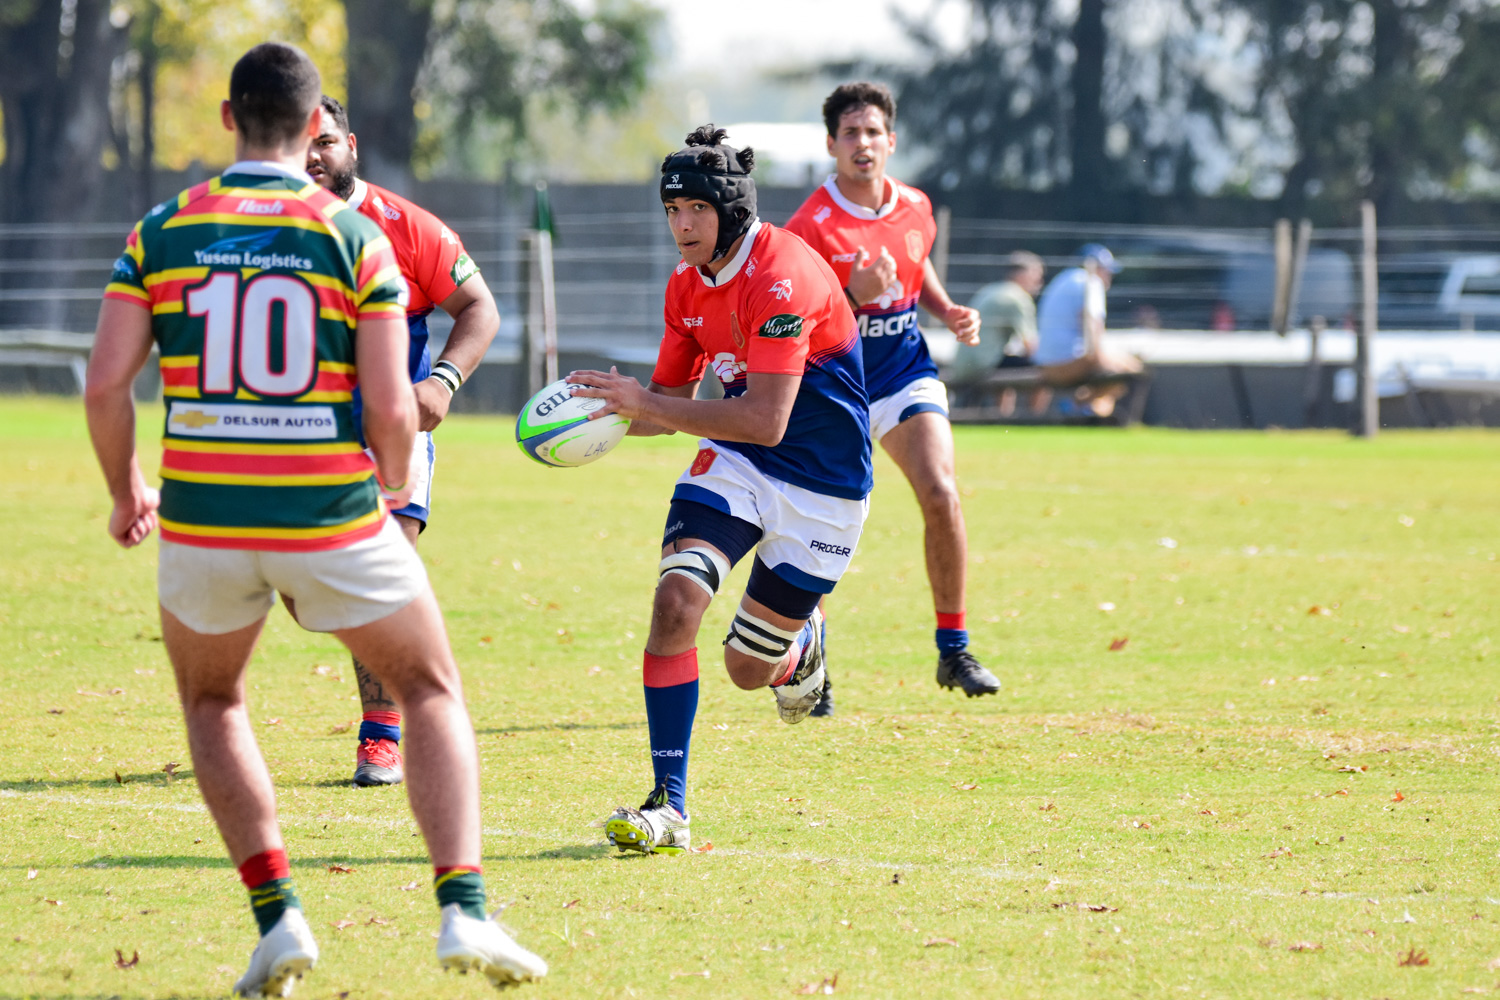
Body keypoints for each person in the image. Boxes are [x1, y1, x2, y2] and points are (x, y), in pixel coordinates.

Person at [85, 42, 545, 996]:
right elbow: (389, 409)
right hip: (326, 513)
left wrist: (128, 490)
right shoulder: (353, 237)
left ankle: (276, 915)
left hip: (205, 521)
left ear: (227, 120)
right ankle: (463, 910)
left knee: (214, 704)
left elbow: (103, 385)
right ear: (312, 130)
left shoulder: (161, 228)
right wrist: (386, 484)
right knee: (431, 687)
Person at [567, 125, 872, 855]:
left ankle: (798, 651)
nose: (682, 225)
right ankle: (668, 806)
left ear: (731, 210)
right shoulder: (684, 286)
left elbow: (766, 419)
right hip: (735, 466)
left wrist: (646, 405)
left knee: (747, 669)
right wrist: (590, 418)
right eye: (672, 212)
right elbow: (669, 401)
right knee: (676, 603)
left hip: (823, 488)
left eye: (697, 210)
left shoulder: (780, 276)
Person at [785, 81, 1000, 710]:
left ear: (891, 141)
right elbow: (789, 323)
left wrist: (945, 308)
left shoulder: (916, 205)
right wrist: (851, 293)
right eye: (850, 133)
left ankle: (954, 648)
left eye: (873, 132)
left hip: (905, 370)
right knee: (822, 529)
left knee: (941, 491)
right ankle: (812, 669)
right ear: (831, 144)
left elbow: (917, 263)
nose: (862, 143)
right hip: (834, 386)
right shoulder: (808, 226)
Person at [306, 95, 501, 788]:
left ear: (350, 144)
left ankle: (382, 735)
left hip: (394, 436)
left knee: (380, 579)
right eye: (301, 142)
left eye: (325, 140)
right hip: (301, 438)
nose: (313, 155)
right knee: (308, 602)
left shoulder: (403, 224)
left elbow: (480, 306)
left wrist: (443, 380)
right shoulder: (266, 230)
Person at [1034, 244, 1144, 418]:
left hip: (1044, 363)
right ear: (1095, 267)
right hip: (1070, 362)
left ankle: (1085, 407)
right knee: (1131, 369)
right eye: (1107, 270)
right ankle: (1079, 407)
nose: (1109, 276)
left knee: (1115, 370)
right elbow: (1094, 329)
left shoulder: (1062, 279)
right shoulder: (1090, 282)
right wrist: (1107, 362)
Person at [955, 251, 1048, 416]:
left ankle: (1003, 416)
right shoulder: (1018, 298)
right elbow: (1031, 347)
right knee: (1045, 368)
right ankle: (1035, 419)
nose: (1040, 282)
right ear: (1021, 274)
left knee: (1009, 363)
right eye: (1037, 275)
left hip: (963, 364)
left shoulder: (991, 290)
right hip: (985, 363)